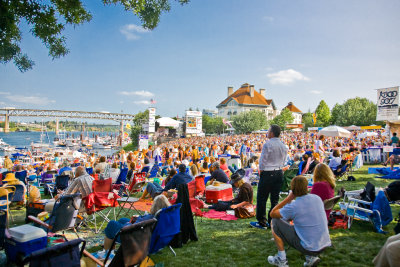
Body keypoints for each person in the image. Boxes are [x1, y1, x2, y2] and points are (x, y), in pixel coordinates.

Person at [268, 176, 331, 267]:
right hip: (324, 244)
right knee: (305, 229)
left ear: (292, 189)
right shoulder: (316, 198)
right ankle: (310, 258)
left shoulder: (294, 206)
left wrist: (288, 199)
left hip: (310, 248)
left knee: (275, 221)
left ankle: (281, 259)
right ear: (306, 187)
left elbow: (272, 214)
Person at [250, 124, 288, 229]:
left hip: (268, 172)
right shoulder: (283, 145)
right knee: (274, 199)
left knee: (262, 198)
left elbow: (262, 161)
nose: (267, 133)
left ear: (272, 133)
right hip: (279, 172)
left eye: (268, 131)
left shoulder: (268, 144)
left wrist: (261, 171)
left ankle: (262, 222)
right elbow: (284, 160)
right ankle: (272, 221)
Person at [103, 194, 171, 250]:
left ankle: (107, 252)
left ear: (155, 207)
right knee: (122, 220)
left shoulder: (152, 219)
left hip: (133, 237)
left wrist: (131, 223)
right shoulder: (164, 216)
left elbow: (138, 225)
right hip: (142, 232)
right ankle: (111, 244)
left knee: (111, 224)